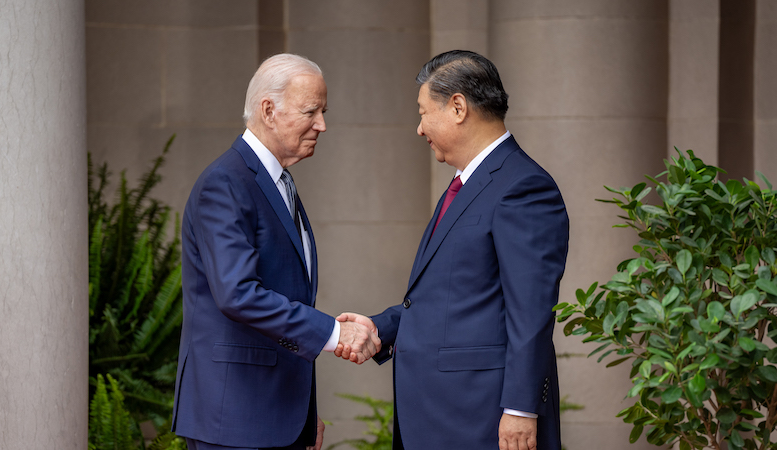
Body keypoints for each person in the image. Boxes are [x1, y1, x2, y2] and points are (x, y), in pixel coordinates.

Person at [336, 50, 569, 450]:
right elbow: (456, 295)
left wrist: (520, 407)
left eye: (424, 112)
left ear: (458, 106)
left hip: (482, 417)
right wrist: (382, 327)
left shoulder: (523, 187)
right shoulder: (466, 184)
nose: (419, 128)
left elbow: (530, 311)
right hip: (440, 416)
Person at [171, 53, 381, 450]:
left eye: (323, 111)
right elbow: (238, 295)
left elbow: (285, 301)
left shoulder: (278, 182)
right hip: (233, 421)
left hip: (275, 416)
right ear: (268, 110)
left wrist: (301, 412)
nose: (322, 124)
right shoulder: (226, 183)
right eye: (311, 111)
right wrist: (335, 333)